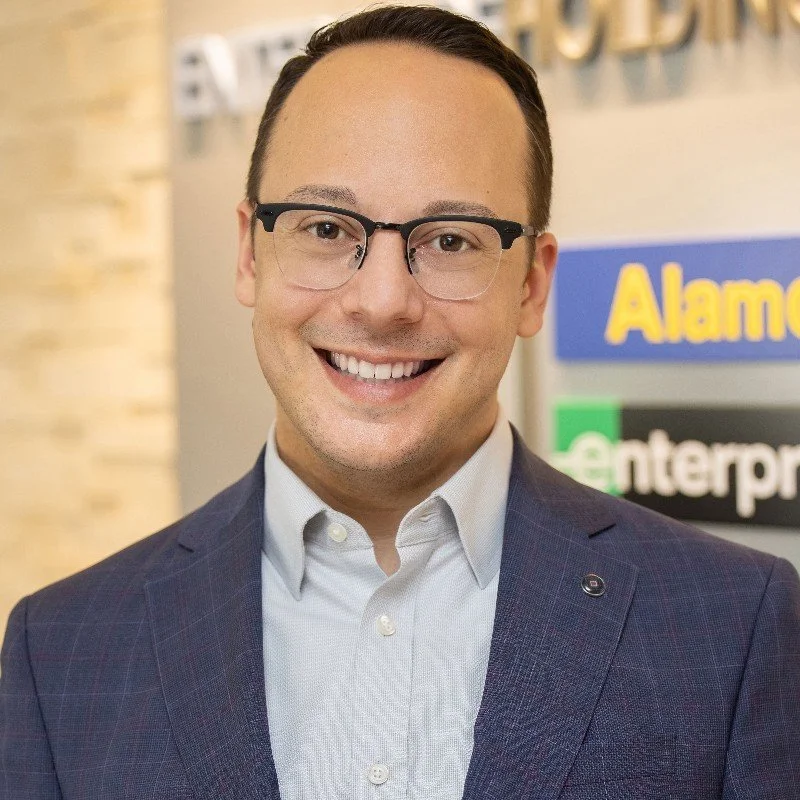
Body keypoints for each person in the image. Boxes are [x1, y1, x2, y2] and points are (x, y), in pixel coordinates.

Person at [1, 4, 798, 798]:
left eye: (451, 239)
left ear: (532, 282)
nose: (382, 301)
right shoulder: (61, 651)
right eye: (323, 227)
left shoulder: (737, 625)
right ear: (249, 252)